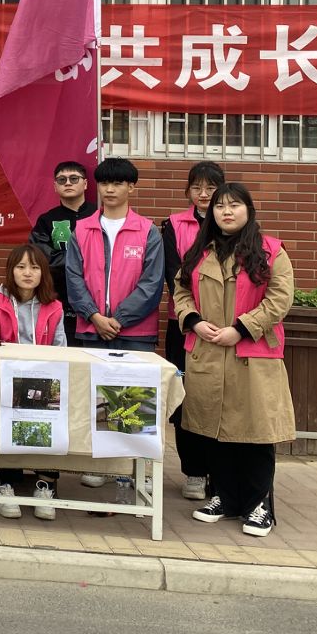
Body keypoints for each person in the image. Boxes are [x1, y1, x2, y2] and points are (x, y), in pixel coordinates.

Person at [175, 183, 295, 538]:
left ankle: (259, 505)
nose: (226, 212)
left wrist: (241, 328)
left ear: (248, 210)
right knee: (216, 430)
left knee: (257, 433)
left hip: (252, 354)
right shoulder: (200, 252)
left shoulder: (271, 251)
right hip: (209, 351)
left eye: (234, 205)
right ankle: (225, 498)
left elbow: (279, 299)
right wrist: (193, 320)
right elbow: (181, 290)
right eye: (219, 206)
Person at [64, 156, 164, 500]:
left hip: (134, 332)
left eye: (118, 183)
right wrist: (94, 316)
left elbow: (152, 284)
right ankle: (99, 463)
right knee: (97, 397)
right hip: (91, 329)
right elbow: (73, 278)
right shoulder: (82, 229)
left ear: (131, 187)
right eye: (105, 183)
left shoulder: (148, 231)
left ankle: (133, 469)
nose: (110, 189)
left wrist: (119, 319)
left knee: (133, 399)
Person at [0, 243, 66, 519]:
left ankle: (45, 486)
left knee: (54, 415)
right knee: (5, 415)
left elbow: (61, 350)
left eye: (35, 267)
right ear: (11, 271)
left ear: (43, 273)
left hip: (43, 380)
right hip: (5, 380)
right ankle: (6, 484)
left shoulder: (54, 307)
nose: (28, 273)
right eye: (21, 267)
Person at [161, 161, 225, 502]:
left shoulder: (231, 223)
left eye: (211, 188)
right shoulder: (173, 225)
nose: (203, 194)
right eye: (197, 187)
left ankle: (220, 471)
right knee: (185, 398)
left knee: (218, 398)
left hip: (224, 328)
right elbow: (174, 273)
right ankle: (194, 472)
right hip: (184, 324)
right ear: (188, 191)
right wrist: (195, 317)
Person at [28, 160, 98, 348]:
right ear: (55, 186)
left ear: (85, 184)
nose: (68, 183)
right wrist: (83, 260)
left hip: (98, 304)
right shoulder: (46, 220)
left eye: (74, 178)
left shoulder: (100, 216)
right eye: (62, 180)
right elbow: (42, 259)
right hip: (58, 301)